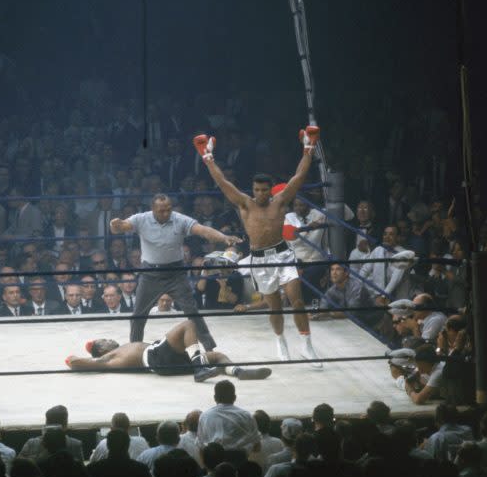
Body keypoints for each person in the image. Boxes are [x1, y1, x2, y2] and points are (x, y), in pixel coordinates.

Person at [201, 127, 322, 365]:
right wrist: (208, 159)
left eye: (264, 190)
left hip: (283, 254)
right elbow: (222, 182)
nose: (260, 194)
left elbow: (298, 177)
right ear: (252, 189)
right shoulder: (245, 204)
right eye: (256, 190)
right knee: (274, 306)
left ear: (271, 189)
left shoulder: (280, 202)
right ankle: (280, 341)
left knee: (296, 300)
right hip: (259, 259)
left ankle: (307, 346)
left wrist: (308, 150)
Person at [110, 193, 242, 351]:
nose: (166, 213)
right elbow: (120, 228)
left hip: (175, 273)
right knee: (138, 314)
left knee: (192, 311)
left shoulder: (179, 219)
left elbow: (202, 230)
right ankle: (133, 349)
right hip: (150, 273)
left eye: (168, 209)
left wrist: (223, 238)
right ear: (153, 209)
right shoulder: (141, 219)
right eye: (161, 211)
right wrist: (115, 224)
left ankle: (209, 348)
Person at [65, 319, 272, 383]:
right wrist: (73, 359)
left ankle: (238, 372)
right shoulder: (110, 357)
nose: (110, 339)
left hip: (166, 364)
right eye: (104, 340)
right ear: (101, 350)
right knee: (188, 325)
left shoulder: (117, 352)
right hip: (156, 356)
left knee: (217, 356)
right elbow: (79, 362)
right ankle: (199, 368)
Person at [196, 380, 260, 465]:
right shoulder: (246, 416)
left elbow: (201, 447)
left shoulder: (205, 416)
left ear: (215, 398)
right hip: (240, 466)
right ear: (234, 397)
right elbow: (257, 447)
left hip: (214, 466)